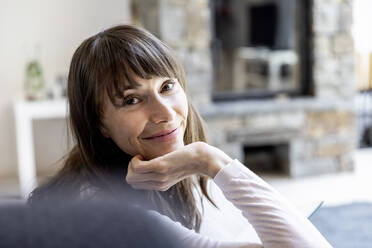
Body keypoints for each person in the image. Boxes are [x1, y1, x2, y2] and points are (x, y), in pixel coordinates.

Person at [29, 25, 332, 247]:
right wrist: (209, 159)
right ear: (99, 124)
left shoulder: (167, 173)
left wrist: (207, 161)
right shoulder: (105, 213)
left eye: (167, 87)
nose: (165, 113)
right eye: (132, 100)